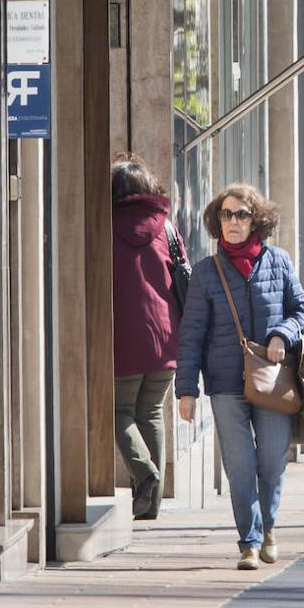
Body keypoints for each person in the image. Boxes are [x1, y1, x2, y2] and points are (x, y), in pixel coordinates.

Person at [176, 184, 304, 570]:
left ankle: (269, 526)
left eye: (241, 215)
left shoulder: (279, 261)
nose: (233, 222)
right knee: (240, 466)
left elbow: (301, 310)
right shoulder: (204, 273)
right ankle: (248, 542)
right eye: (226, 215)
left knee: (271, 461)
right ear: (217, 222)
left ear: (257, 220)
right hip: (224, 384)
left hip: (272, 382)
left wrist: (281, 334)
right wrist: (187, 390)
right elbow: (191, 334)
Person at [111, 154, 184, 521]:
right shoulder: (167, 228)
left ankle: (145, 472)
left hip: (122, 338)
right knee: (151, 412)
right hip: (165, 335)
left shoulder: (104, 227)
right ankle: (151, 505)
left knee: (118, 412)